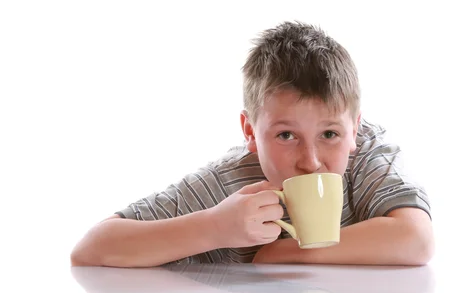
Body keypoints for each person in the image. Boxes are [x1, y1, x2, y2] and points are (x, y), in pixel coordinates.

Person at [70, 21, 434, 268]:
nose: (310, 161)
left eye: (329, 135)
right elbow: (92, 248)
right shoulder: (232, 184)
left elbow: (416, 239)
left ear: (354, 129)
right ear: (250, 131)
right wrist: (213, 227)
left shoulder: (366, 153)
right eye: (285, 135)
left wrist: (284, 253)